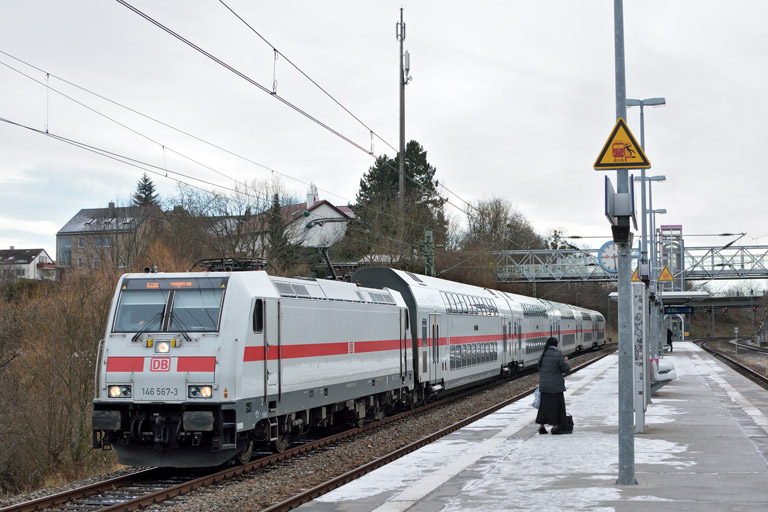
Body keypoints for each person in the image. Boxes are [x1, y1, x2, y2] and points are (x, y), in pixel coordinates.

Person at [536, 337, 571, 435]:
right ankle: (555, 427)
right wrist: (566, 360)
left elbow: (539, 366)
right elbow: (566, 368)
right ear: (556, 345)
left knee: (543, 407)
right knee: (556, 407)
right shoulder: (557, 355)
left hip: (544, 386)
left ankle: (541, 427)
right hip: (555, 387)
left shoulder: (542, 355)